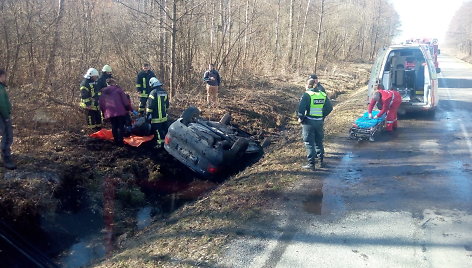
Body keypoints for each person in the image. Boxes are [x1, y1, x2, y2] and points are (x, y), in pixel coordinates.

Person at [297, 78, 333, 170]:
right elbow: (329, 108)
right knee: (319, 142)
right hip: (319, 122)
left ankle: (311, 164)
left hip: (308, 122)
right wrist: (322, 115)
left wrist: (301, 118)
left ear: (307, 85)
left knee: (309, 142)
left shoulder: (307, 95)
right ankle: (321, 162)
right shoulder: (323, 94)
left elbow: (301, 109)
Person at [99, 78, 132, 146]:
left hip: (110, 113)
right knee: (121, 126)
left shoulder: (103, 92)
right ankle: (120, 141)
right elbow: (125, 101)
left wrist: (103, 113)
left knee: (114, 126)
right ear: (113, 83)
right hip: (120, 111)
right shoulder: (118, 90)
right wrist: (129, 109)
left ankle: (116, 140)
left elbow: (101, 104)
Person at [146, 77, 169, 147]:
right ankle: (168, 142)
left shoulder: (152, 93)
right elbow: (167, 104)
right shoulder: (164, 92)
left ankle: (160, 144)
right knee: (165, 130)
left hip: (156, 117)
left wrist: (148, 115)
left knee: (158, 131)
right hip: (164, 117)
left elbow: (150, 106)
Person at [0, 69, 16, 169]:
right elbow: (2, 104)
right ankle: (6, 159)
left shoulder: (2, 87)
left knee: (7, 136)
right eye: (4, 76)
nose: (5, 77)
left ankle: (6, 156)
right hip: (2, 116)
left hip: (2, 115)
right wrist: (6, 117)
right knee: (7, 136)